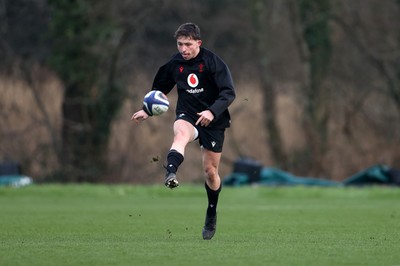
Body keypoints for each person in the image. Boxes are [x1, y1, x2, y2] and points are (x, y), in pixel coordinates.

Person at [131, 22, 236, 240]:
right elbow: (159, 90)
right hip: (187, 115)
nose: (183, 49)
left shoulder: (212, 62)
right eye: (180, 44)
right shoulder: (175, 63)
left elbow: (228, 93)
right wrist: (146, 110)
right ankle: (170, 172)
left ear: (198, 43)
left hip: (213, 121)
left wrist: (212, 112)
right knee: (180, 133)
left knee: (210, 172)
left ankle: (211, 211)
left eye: (188, 44)